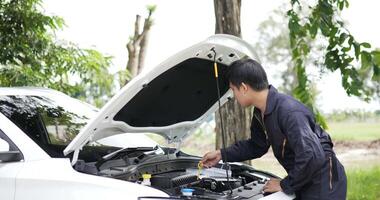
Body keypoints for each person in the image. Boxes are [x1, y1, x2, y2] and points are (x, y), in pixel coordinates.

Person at [201, 58, 347, 199]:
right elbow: (257, 146)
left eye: (233, 89)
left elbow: (311, 156)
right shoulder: (260, 112)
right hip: (304, 178)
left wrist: (285, 184)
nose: (234, 95)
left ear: (244, 88)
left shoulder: (289, 112)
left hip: (324, 182)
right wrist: (221, 154)